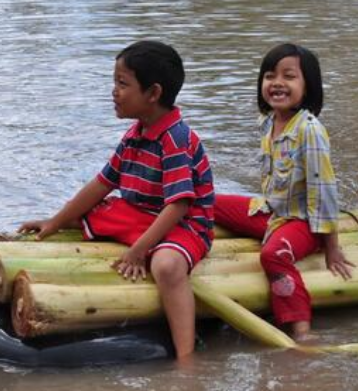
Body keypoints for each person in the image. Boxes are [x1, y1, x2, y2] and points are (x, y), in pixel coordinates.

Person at [18, 40, 215, 359]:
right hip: (142, 214)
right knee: (97, 209)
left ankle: (186, 356)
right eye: (115, 82)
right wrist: (55, 221)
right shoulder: (136, 133)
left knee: (166, 266)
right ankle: (134, 240)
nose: (114, 91)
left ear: (153, 93)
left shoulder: (175, 140)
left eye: (122, 84)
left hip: (184, 224)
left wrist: (139, 252)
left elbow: (178, 205)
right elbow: (102, 183)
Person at [214, 43, 354, 341]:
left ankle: (301, 329)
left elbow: (324, 190)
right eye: (269, 76)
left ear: (308, 86)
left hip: (304, 223)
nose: (277, 83)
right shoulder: (269, 122)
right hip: (274, 212)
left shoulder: (309, 130)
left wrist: (331, 246)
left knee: (273, 255)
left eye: (288, 76)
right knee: (208, 202)